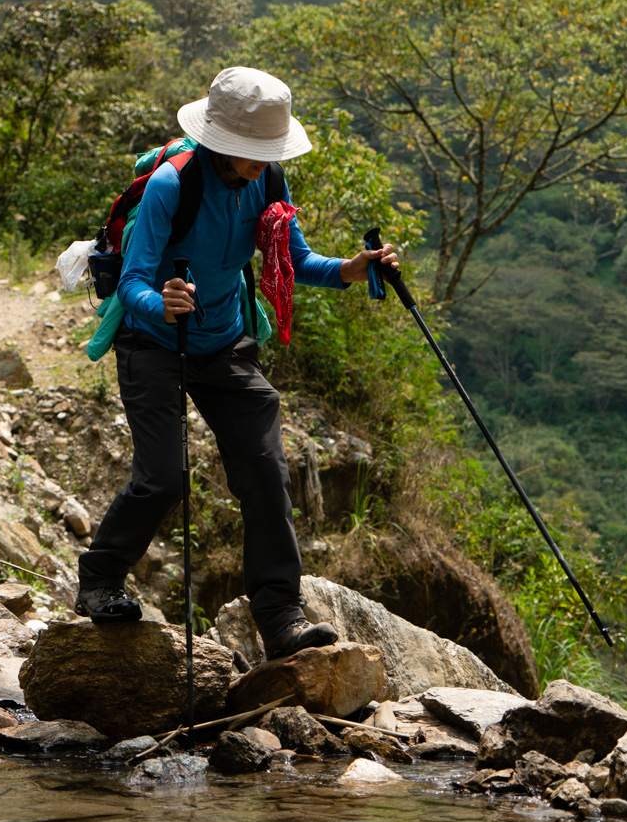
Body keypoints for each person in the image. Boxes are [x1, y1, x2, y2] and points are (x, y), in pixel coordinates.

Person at [75, 66, 401, 659]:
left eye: (266, 151)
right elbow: (132, 281)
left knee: (265, 471)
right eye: (251, 151)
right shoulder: (172, 186)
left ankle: (280, 619)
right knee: (162, 479)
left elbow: (293, 260)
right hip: (153, 343)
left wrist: (352, 270)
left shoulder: (266, 180)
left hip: (224, 342)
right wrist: (162, 302)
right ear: (219, 140)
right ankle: (99, 580)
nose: (261, 161)